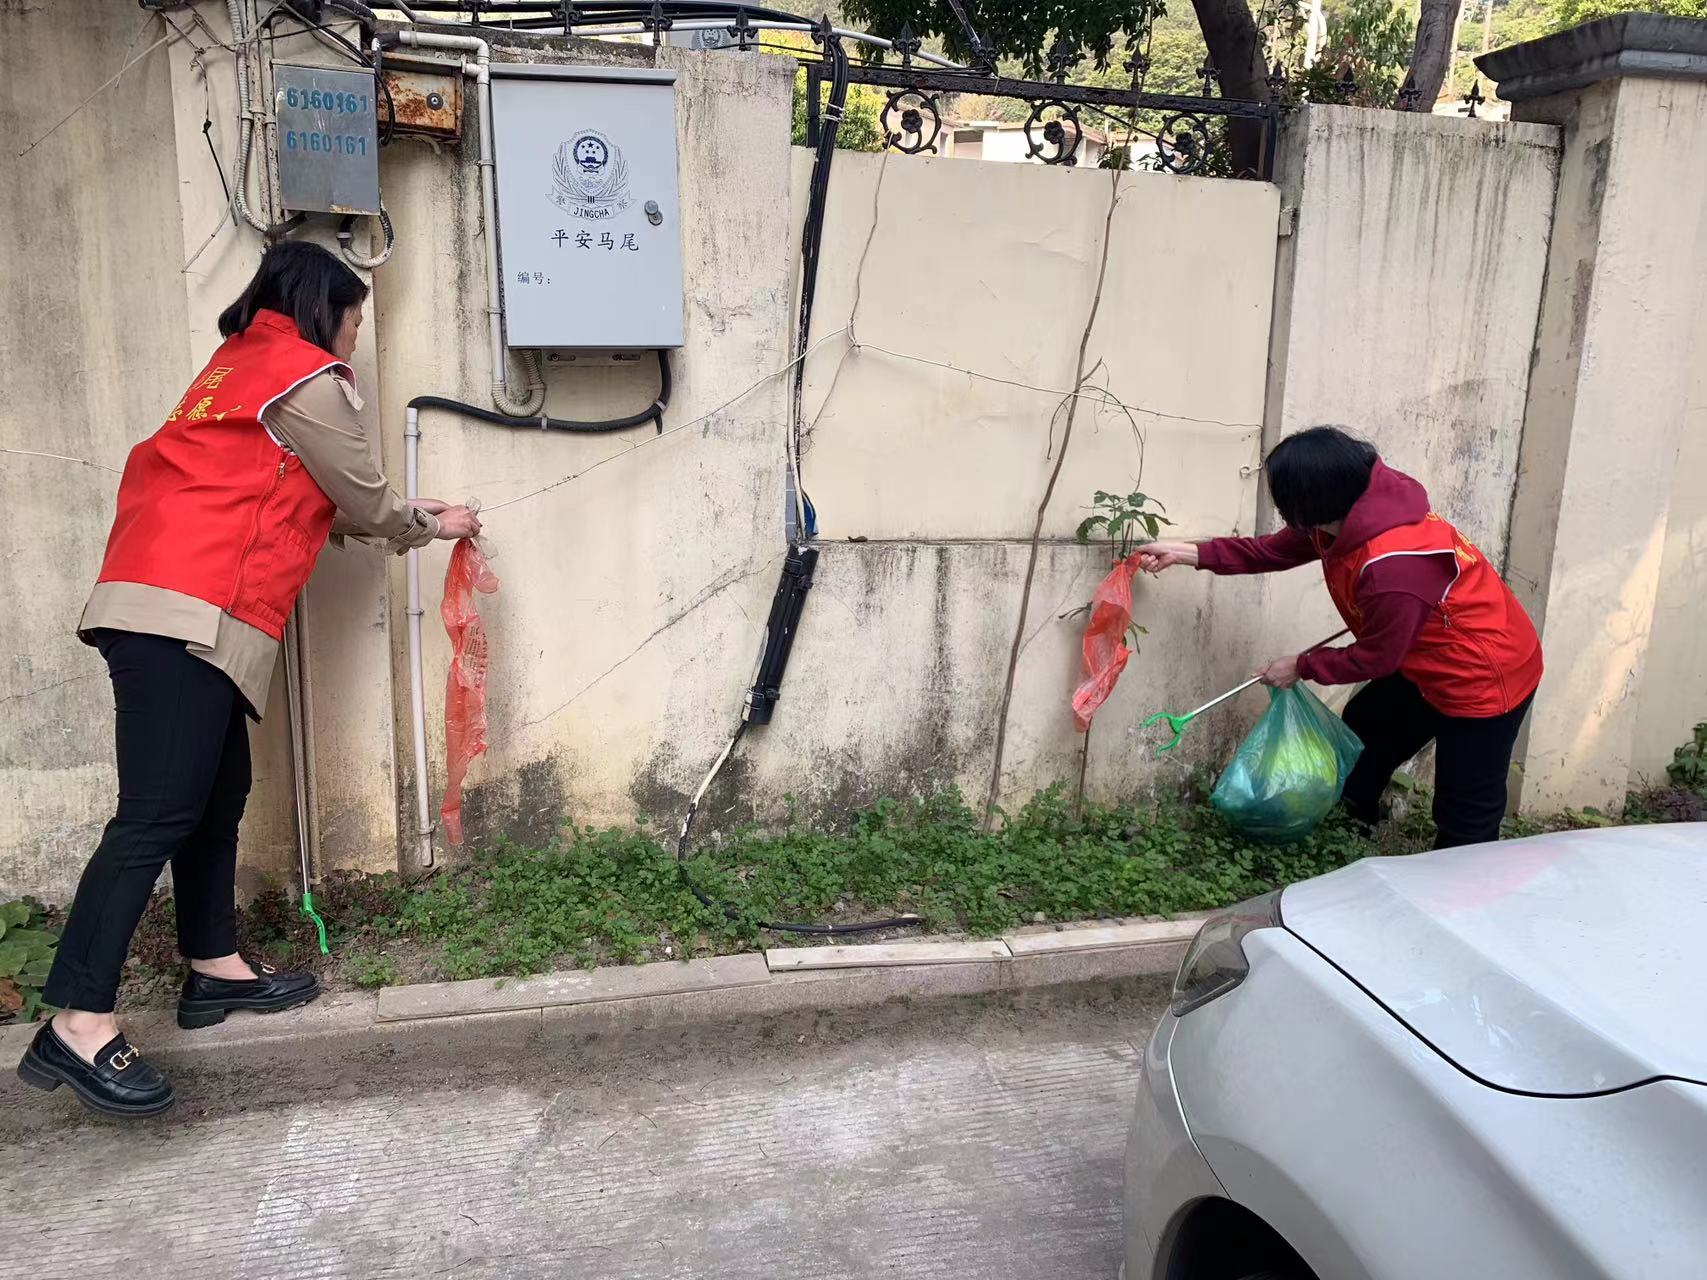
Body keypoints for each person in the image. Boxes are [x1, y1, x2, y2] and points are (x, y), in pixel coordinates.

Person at [17, 241, 482, 1118]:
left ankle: (212, 965)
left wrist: (387, 520)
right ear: (326, 310)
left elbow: (283, 495)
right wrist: (435, 519)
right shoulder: (307, 377)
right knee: (155, 813)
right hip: (189, 606)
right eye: (353, 321)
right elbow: (365, 499)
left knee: (215, 792)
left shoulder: (231, 371)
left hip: (177, 606)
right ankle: (77, 1020)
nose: (353, 341)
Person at [1140, 425, 1542, 851]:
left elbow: (1377, 658)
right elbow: (1270, 551)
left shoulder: (1392, 565)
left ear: (1311, 501)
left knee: (1465, 810)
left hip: (1483, 676)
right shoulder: (1347, 515)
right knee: (1367, 729)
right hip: (1425, 659)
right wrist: (1188, 553)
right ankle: (1353, 830)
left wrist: (1300, 666)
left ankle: (1461, 893)